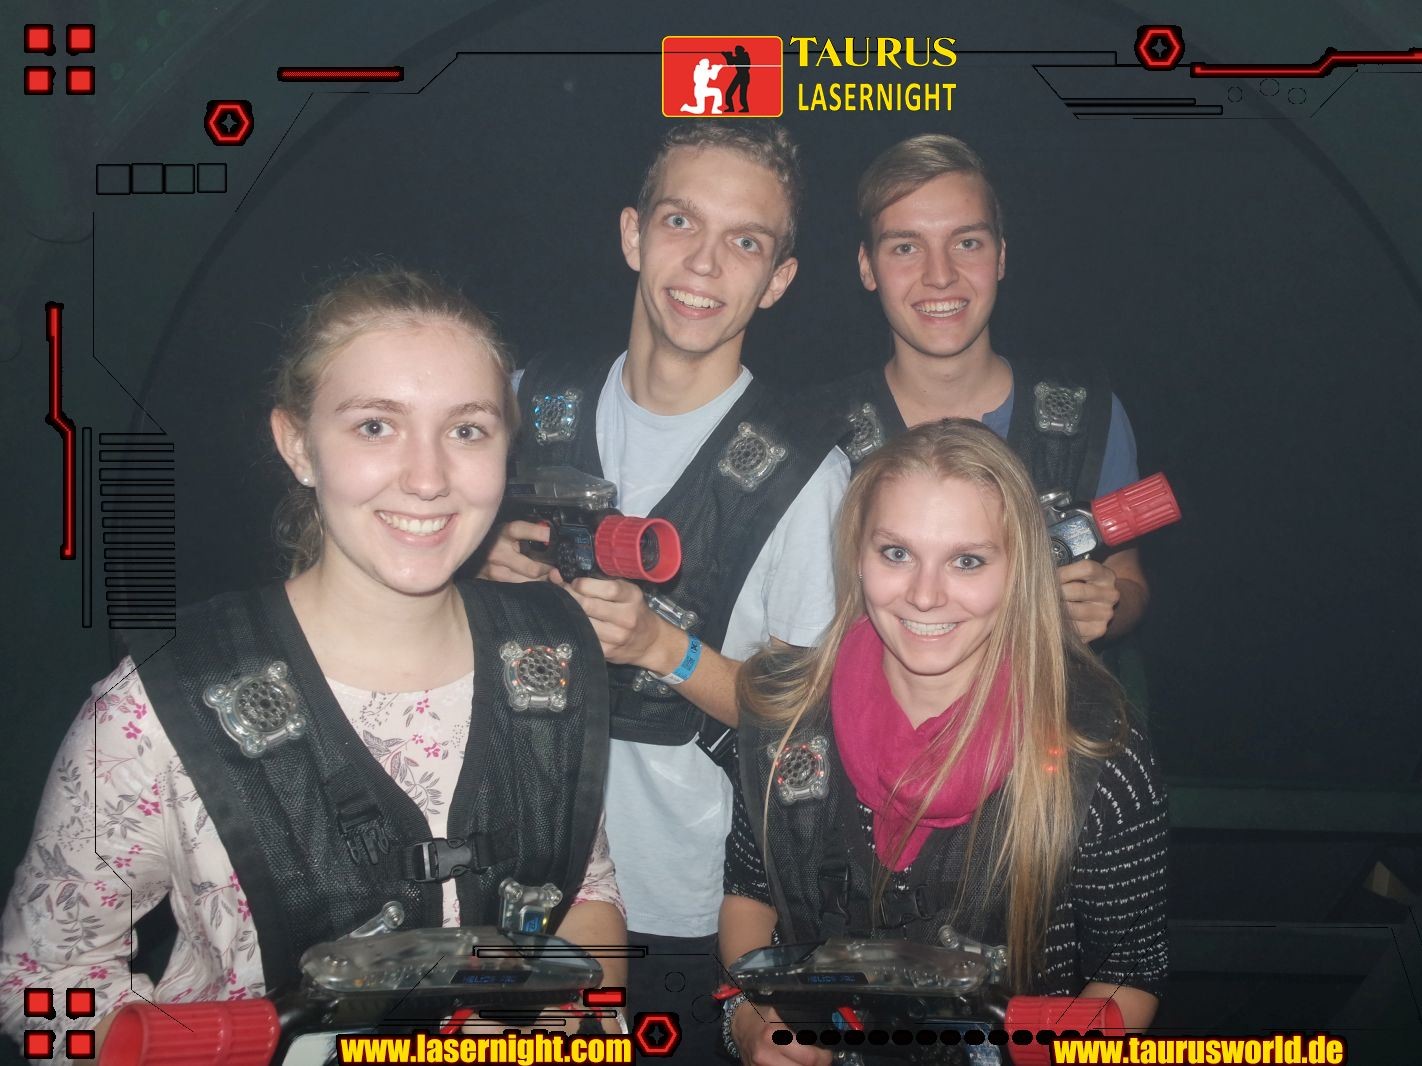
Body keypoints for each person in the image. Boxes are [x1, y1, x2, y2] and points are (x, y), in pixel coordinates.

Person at [0, 269, 624, 1050]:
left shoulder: (552, 660)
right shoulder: (159, 707)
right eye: (375, 426)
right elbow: (37, 983)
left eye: (467, 430)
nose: (427, 478)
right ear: (298, 445)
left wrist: (569, 1019)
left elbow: (584, 890)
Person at [479, 123, 850, 1058]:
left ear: (777, 280)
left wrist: (660, 648)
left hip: (688, 903)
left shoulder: (808, 475)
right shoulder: (524, 404)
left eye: (745, 241)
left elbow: (804, 718)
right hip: (508, 877)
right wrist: (474, 568)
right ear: (632, 234)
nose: (705, 263)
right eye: (681, 221)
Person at [721, 420, 1168, 1065]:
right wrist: (750, 1020)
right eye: (896, 553)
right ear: (856, 557)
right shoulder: (782, 715)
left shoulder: (1096, 751)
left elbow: (1129, 973)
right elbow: (750, 889)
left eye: (967, 561)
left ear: (1020, 571)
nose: (925, 596)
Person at [829, 134, 1151, 644]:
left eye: (967, 243)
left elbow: (1128, 578)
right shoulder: (823, 436)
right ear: (868, 266)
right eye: (906, 247)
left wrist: (1106, 605)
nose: (940, 276)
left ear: (1000, 256)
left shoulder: (1090, 414)